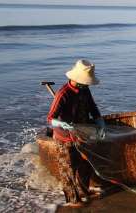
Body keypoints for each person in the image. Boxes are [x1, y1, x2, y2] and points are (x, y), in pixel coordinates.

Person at [47, 59, 106, 205]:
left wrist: (100, 121)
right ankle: (73, 200)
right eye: (84, 82)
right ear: (75, 79)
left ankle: (84, 191)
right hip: (65, 137)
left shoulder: (85, 90)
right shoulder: (63, 93)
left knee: (85, 164)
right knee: (68, 169)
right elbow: (50, 118)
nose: (86, 84)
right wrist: (60, 123)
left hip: (82, 134)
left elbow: (93, 107)